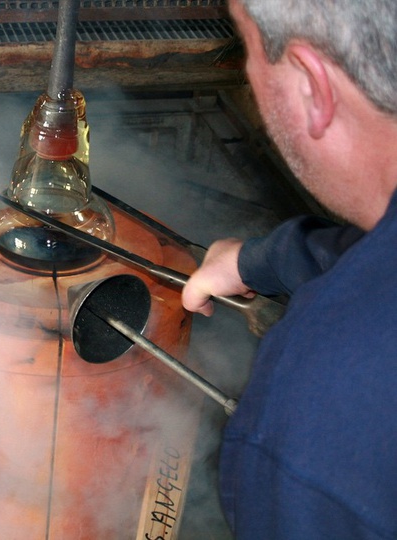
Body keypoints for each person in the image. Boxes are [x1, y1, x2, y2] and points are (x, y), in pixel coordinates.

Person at [181, 0, 397, 538]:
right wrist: (269, 259)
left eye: (244, 52)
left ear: (311, 85)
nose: (249, 79)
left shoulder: (314, 423)